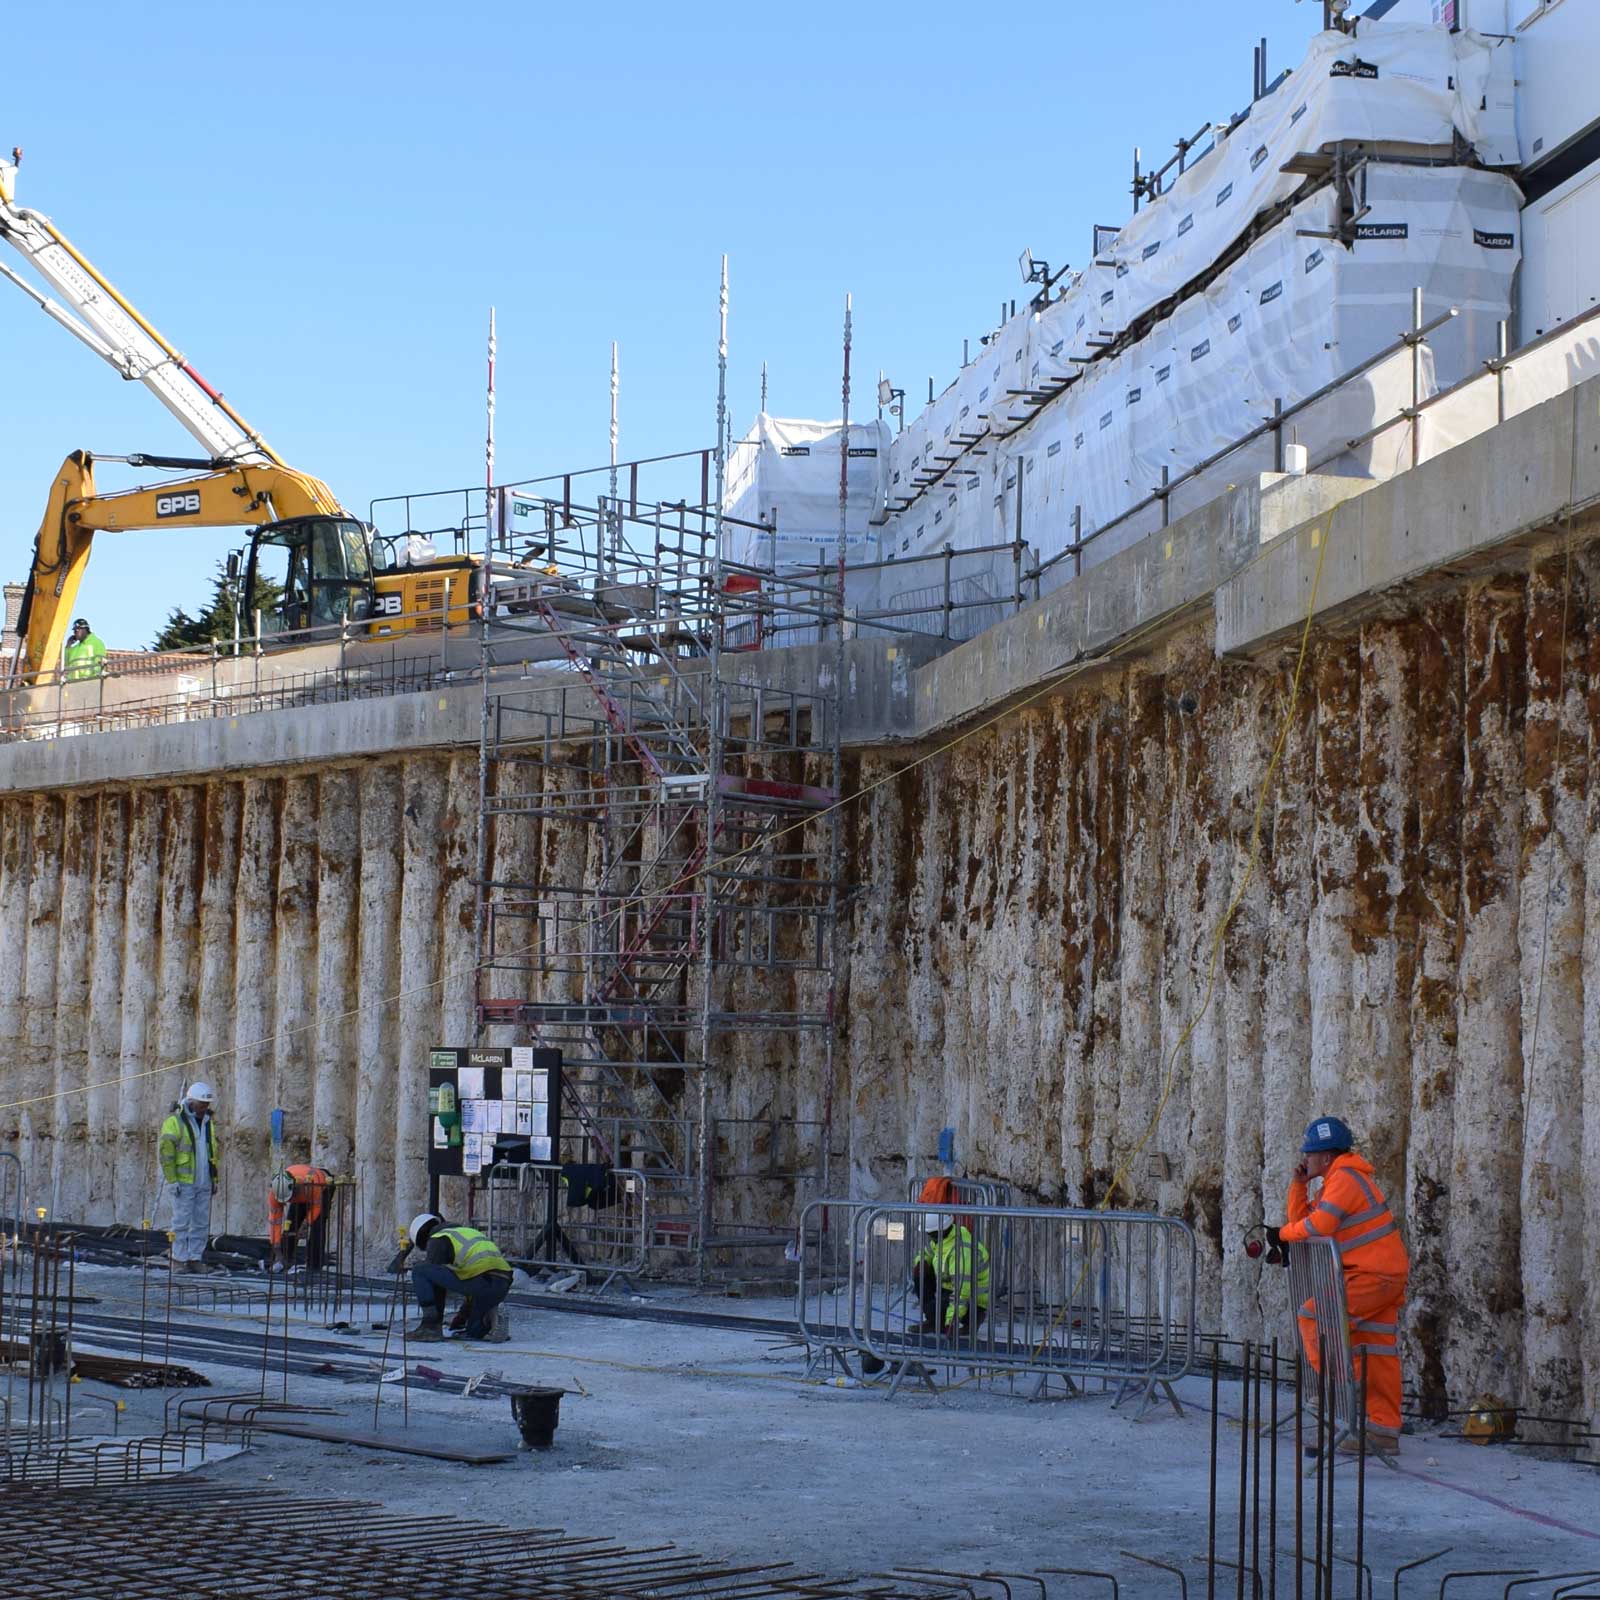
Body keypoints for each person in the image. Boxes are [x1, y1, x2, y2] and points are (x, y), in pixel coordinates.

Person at [1278, 1115, 1411, 1456]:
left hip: (1373, 1276)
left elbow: (1317, 1226)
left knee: (1313, 1316)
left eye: (1309, 1154)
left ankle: (1339, 1392)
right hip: (1379, 1276)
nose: (1304, 1159)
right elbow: (1300, 1219)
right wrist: (1298, 1186)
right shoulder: (1336, 1180)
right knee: (1375, 1351)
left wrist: (1282, 1236)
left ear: (1325, 1156)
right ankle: (1383, 1432)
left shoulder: (1346, 1180)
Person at [394, 1211, 513, 1342]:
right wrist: (463, 1315)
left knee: (420, 1270)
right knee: (473, 1331)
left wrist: (436, 1321)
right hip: (502, 1281)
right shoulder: (467, 1232)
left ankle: (430, 1327)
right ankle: (492, 1319)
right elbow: (468, 1274)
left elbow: (435, 1282)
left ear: (422, 1238)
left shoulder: (438, 1238)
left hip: (481, 1279)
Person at [158, 1082, 220, 1274]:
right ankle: (178, 1258)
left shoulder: (208, 1123)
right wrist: (172, 1179)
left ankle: (195, 1258)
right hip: (184, 1181)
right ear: (191, 1102)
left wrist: (214, 1179)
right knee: (181, 1222)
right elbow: (166, 1154)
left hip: (203, 1180)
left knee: (201, 1222)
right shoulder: (175, 1122)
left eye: (206, 1104)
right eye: (202, 1104)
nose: (204, 1107)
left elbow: (212, 1152)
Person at [912, 1210, 990, 1339]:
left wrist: (951, 1322)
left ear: (938, 1231)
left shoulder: (961, 1250)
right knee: (921, 1275)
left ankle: (968, 1322)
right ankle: (934, 1321)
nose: (929, 1237)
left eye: (930, 1234)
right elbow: (926, 1253)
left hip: (973, 1300)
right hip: (950, 1291)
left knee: (940, 1307)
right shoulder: (942, 1240)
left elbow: (961, 1292)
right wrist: (921, 1263)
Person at [267, 1164, 332, 1272]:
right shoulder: (275, 1193)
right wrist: (276, 1247)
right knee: (290, 1225)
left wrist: (305, 1225)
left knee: (317, 1226)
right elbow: (275, 1222)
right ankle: (283, 1260)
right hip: (301, 1191)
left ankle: (314, 1266)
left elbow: (316, 1208)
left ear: (295, 1189)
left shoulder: (312, 1186)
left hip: (322, 1186)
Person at [63, 617, 106, 681]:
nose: (75, 632)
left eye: (78, 629)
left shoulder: (96, 643)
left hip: (88, 682)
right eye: (74, 631)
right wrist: (68, 645)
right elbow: (65, 663)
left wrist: (96, 680)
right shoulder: (74, 648)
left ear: (85, 629)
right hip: (73, 684)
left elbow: (99, 662)